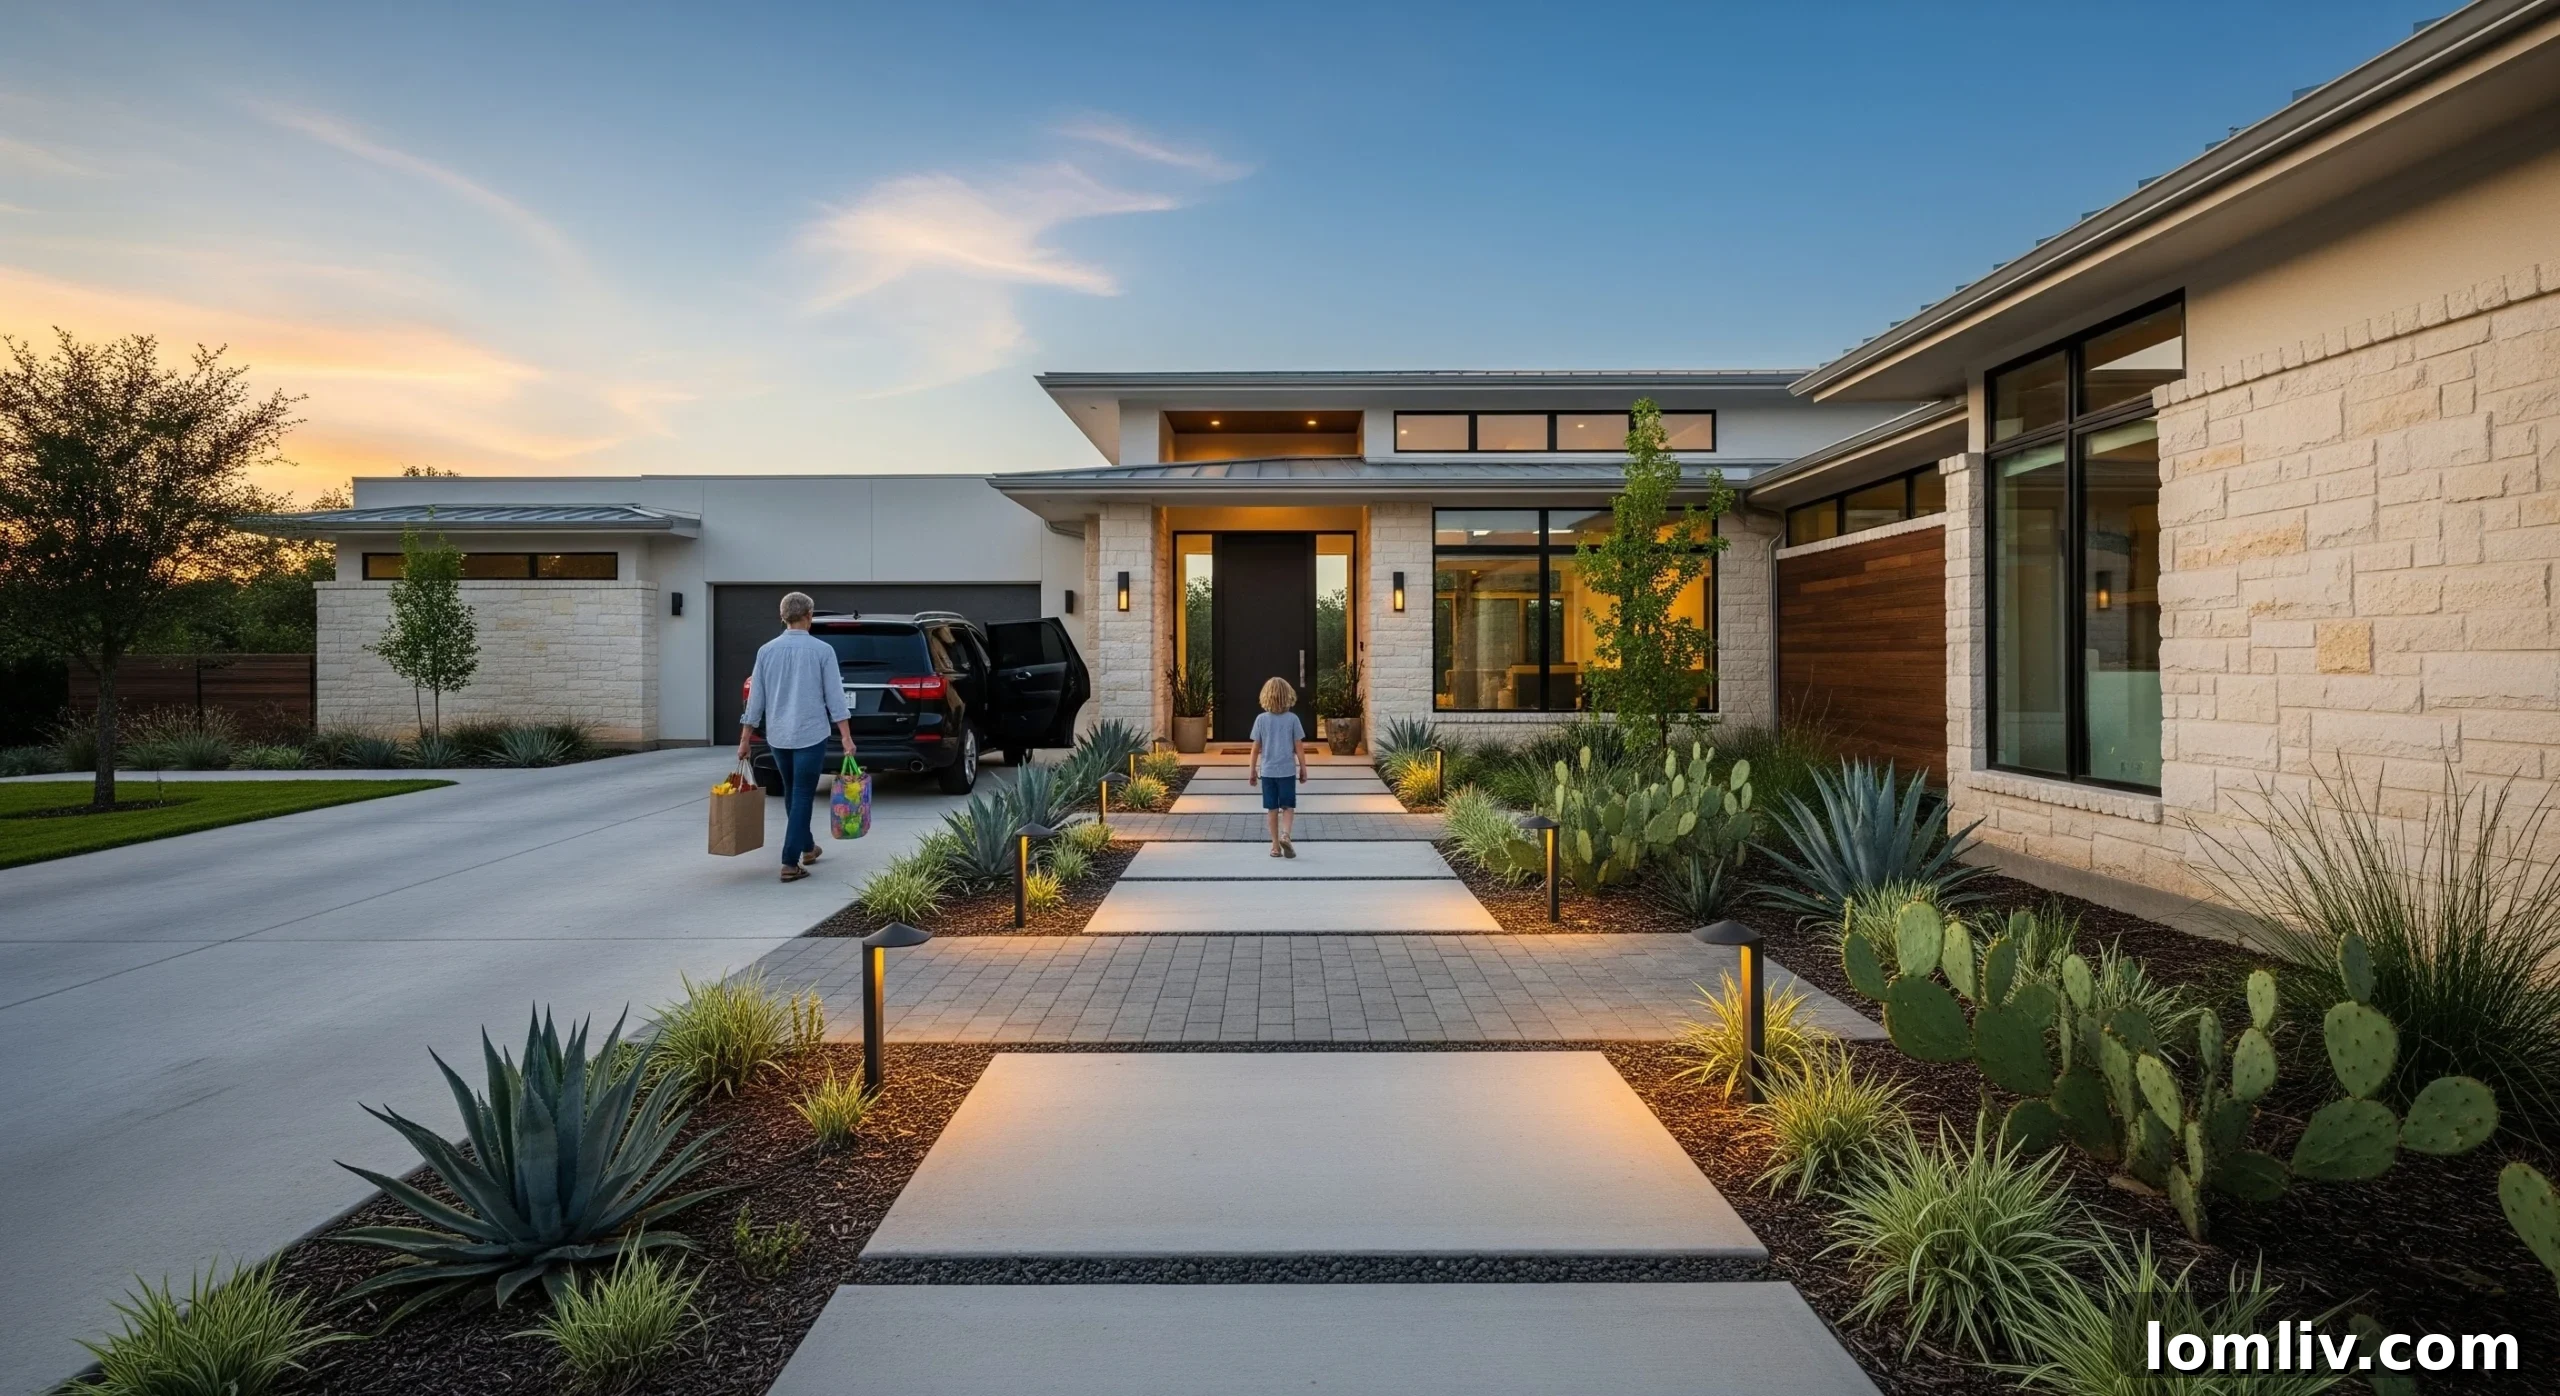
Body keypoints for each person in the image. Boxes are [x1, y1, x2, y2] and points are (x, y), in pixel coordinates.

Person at [737, 591, 853, 882]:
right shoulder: (822, 650)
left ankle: (807, 846)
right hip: (811, 734)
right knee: (802, 793)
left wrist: (745, 738)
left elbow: (756, 700)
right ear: (809, 616)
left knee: (792, 791)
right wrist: (847, 737)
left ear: (783, 616)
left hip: (778, 735)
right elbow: (835, 699)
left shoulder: (766, 651)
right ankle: (790, 861)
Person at [1248, 676, 1309, 858]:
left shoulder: (1261, 719)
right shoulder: (1293, 719)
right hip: (1287, 771)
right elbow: (1298, 746)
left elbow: (1255, 748)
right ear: (1288, 696)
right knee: (1288, 806)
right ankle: (1286, 835)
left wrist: (1252, 770)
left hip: (1267, 771)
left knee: (1272, 809)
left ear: (1266, 696)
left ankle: (1275, 846)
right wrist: (1303, 768)